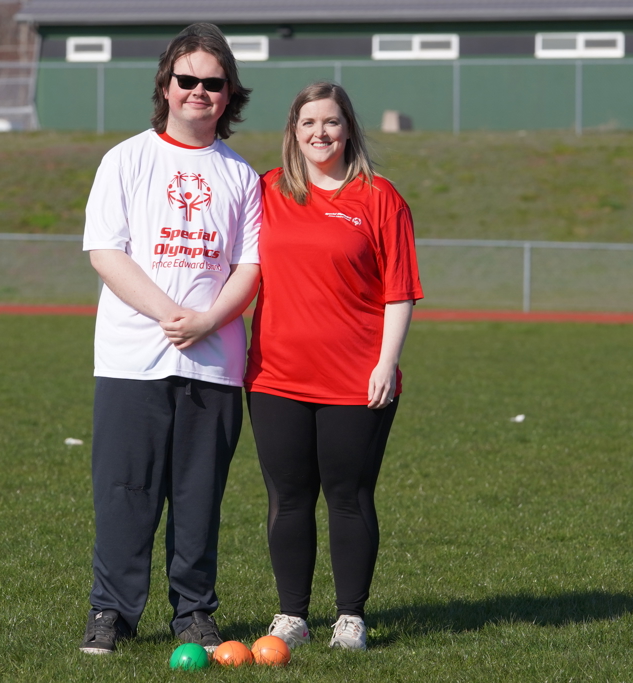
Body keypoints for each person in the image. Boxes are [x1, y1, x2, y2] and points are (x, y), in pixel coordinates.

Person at [79, 23, 261, 655]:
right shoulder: (126, 159)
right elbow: (106, 251)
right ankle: (111, 613)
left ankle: (194, 613)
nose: (199, 92)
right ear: (166, 84)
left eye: (214, 83)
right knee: (124, 492)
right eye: (188, 80)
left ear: (229, 93)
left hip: (214, 363)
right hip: (133, 358)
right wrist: (169, 313)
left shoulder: (241, 175)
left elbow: (251, 267)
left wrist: (208, 322)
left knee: (198, 497)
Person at [244, 82, 423, 651]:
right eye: (308, 123)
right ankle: (292, 615)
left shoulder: (379, 197)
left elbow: (400, 291)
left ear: (349, 129)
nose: (320, 133)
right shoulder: (268, 190)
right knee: (288, 498)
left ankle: (351, 618)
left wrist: (386, 363)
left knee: (349, 495)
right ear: (293, 133)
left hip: (357, 377)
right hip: (275, 377)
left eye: (331, 122)